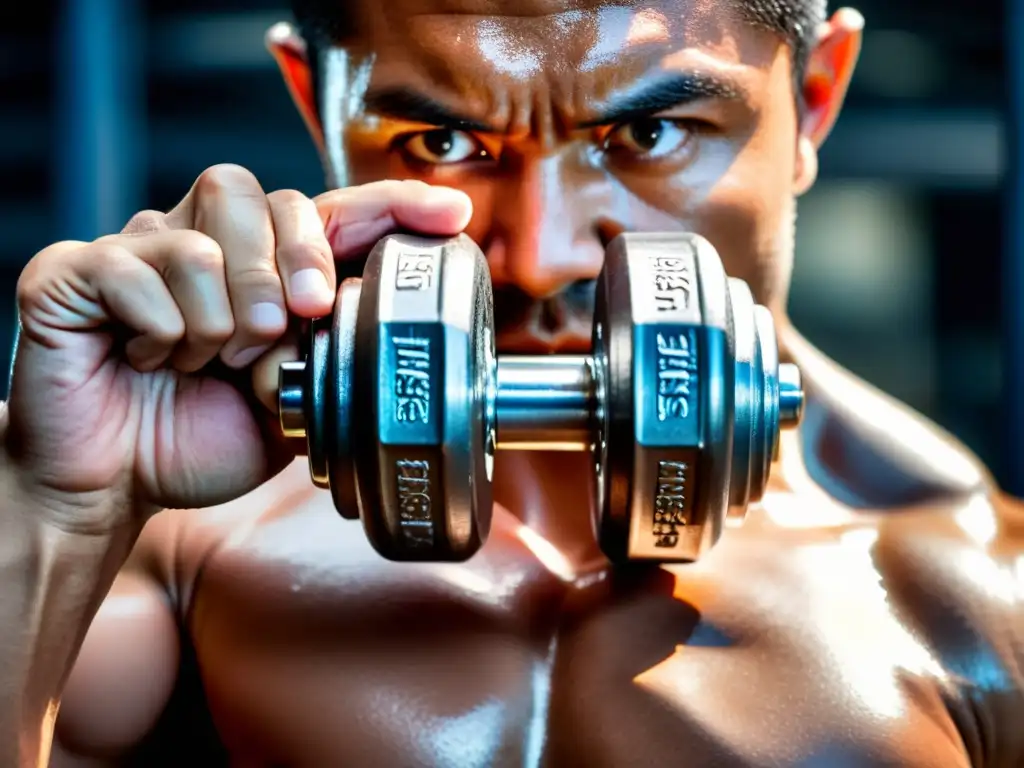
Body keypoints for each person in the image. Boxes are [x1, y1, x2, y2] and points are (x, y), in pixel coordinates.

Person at [2, 0, 1021, 764]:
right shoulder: (170, 545)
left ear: (814, 98)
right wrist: (54, 508)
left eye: (651, 135)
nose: (539, 255)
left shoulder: (980, 594)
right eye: (444, 143)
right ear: (316, 102)